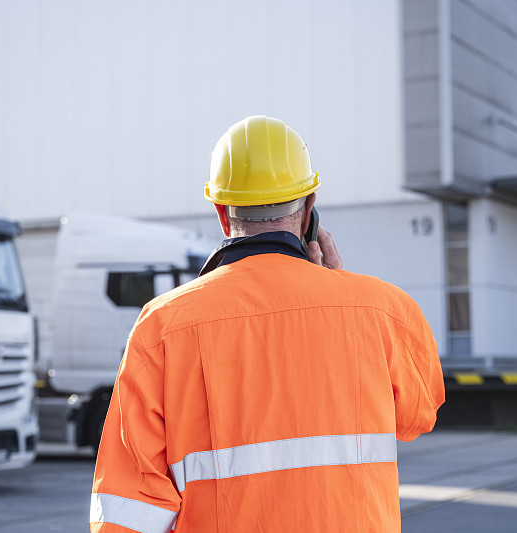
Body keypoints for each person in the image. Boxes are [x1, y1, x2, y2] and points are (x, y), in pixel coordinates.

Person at [90, 115, 445, 532]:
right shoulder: (385, 311)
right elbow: (417, 416)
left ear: (223, 215)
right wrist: (338, 291)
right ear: (309, 207)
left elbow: (128, 511)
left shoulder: (162, 328)